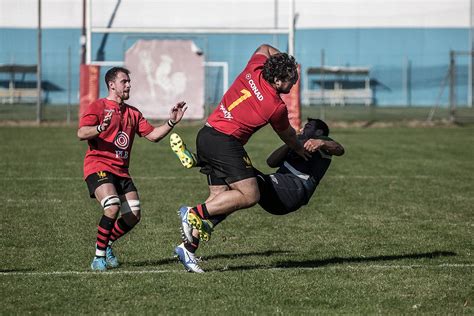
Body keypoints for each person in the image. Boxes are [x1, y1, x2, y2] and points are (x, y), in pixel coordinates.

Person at [171, 44, 312, 273]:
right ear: (277, 80)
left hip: (206, 134)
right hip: (225, 143)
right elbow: (287, 135)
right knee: (250, 194)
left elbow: (264, 47)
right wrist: (299, 149)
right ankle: (193, 212)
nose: (294, 83)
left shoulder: (254, 68)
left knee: (220, 201)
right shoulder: (275, 106)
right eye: (290, 79)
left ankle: (187, 249)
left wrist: (284, 60)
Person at [171, 118, 344, 272]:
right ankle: (189, 247)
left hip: (293, 191)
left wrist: (321, 142)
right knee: (233, 189)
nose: (304, 128)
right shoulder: (299, 143)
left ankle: (199, 167)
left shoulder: (323, 142)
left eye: (309, 126)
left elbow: (339, 149)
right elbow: (271, 161)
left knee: (240, 173)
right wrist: (291, 143)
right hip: (278, 187)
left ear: (320, 131)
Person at [77, 66, 187, 271]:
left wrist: (172, 121)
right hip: (98, 164)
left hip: (121, 171)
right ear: (111, 85)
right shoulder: (98, 107)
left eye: (129, 81)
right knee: (112, 205)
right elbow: (82, 132)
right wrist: (100, 128)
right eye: (124, 82)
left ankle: (106, 243)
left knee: (133, 215)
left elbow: (153, 136)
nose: (128, 85)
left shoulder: (132, 112)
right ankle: (98, 257)